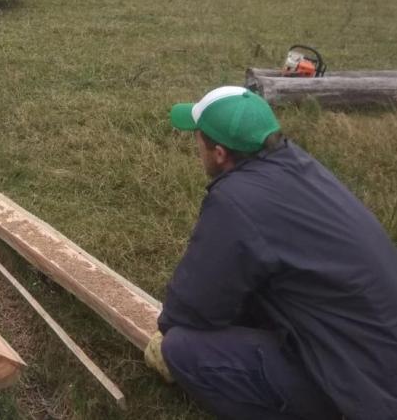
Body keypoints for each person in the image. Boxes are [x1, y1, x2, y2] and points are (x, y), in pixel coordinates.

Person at [144, 85, 397, 420]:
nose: (197, 147)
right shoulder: (298, 165)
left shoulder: (237, 202)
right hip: (375, 355)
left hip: (356, 391)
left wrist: (165, 335)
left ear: (219, 153)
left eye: (199, 139)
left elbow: (192, 310)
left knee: (182, 348)